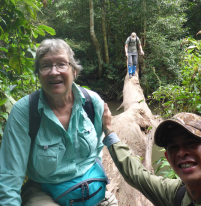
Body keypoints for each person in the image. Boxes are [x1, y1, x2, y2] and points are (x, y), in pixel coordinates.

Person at [0, 39, 117, 206]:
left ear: (74, 71)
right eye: (46, 66)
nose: (54, 72)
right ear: (38, 74)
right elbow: (9, 176)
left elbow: (97, 152)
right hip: (44, 192)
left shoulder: (92, 103)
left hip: (90, 189)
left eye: (62, 64)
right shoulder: (24, 112)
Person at [102, 105, 201, 205]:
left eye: (191, 143)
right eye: (173, 147)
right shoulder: (176, 195)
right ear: (168, 158)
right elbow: (136, 174)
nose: (181, 153)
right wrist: (108, 130)